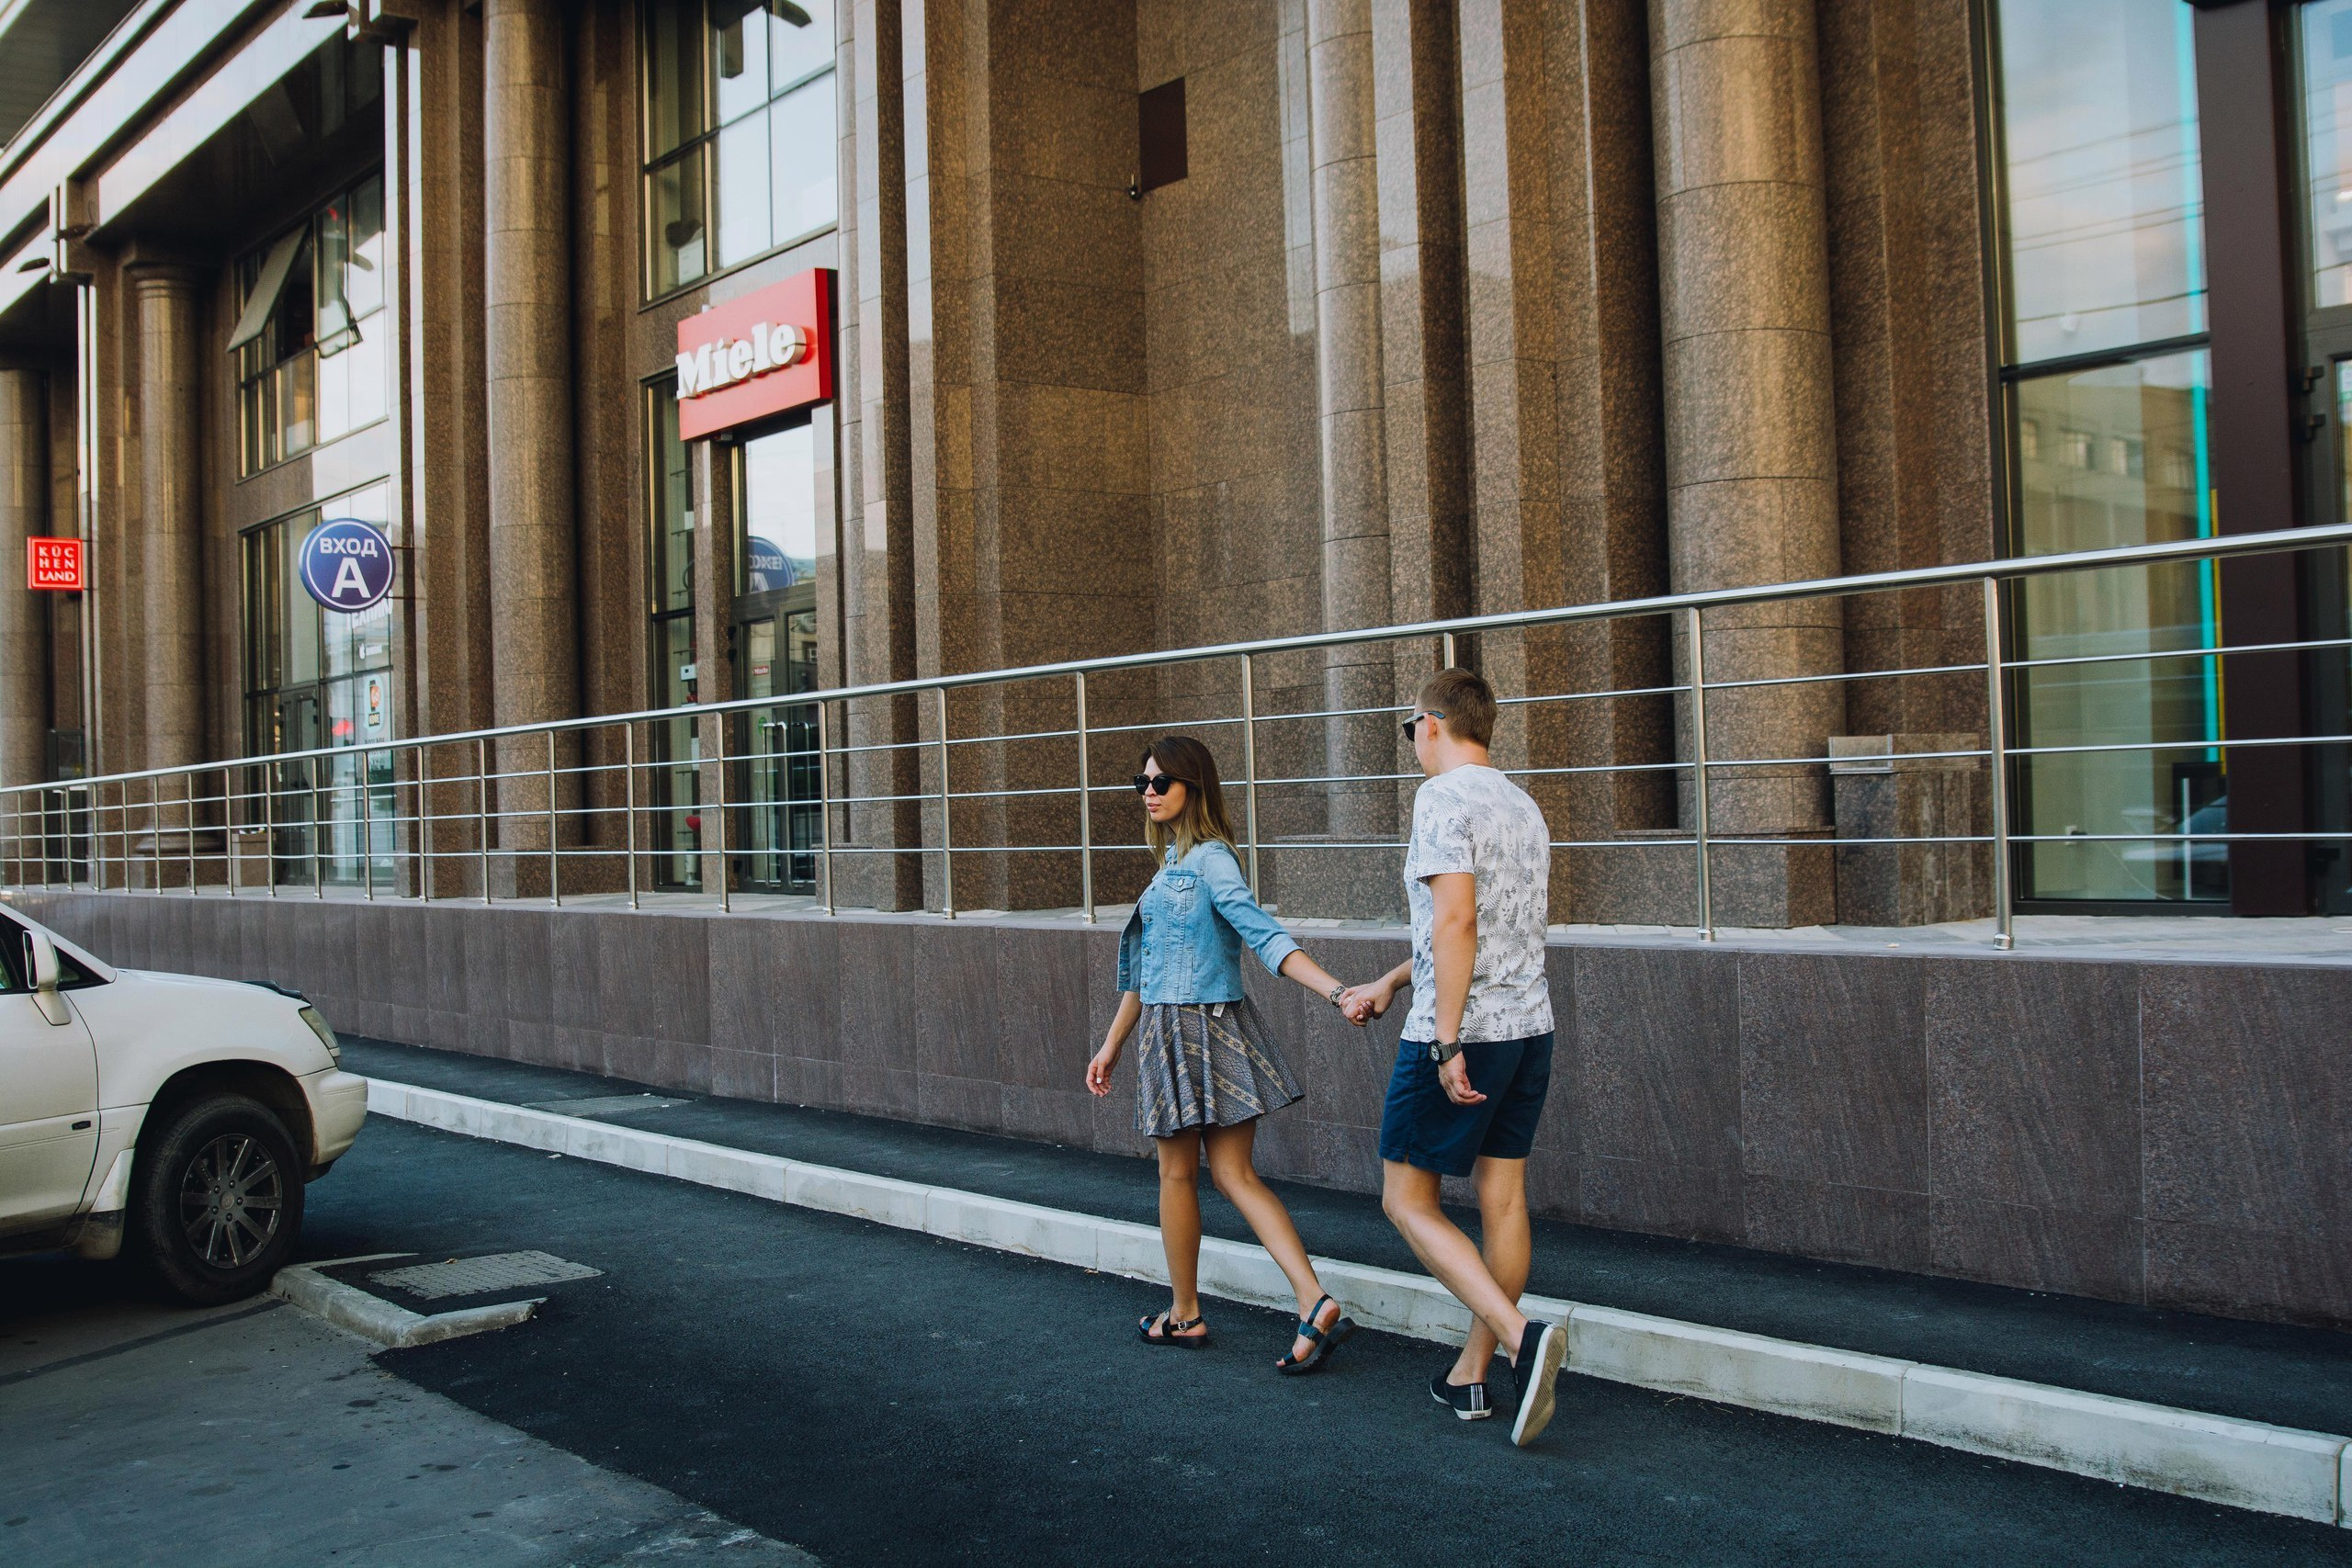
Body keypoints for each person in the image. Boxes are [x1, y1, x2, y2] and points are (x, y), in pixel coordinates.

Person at [1086, 733, 1362, 1374]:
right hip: (1180, 1026)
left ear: (1194, 787)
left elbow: (1264, 935)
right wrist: (1110, 1044)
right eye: (1142, 783)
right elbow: (1143, 976)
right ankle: (1311, 1298)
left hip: (1195, 1030)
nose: (1148, 793)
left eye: (1161, 783)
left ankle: (1186, 1312)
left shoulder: (1211, 860)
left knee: (1182, 1175)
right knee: (1233, 1175)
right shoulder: (1169, 867)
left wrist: (1336, 991)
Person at [1341, 669, 1567, 1447]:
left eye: (1410, 729)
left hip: (1464, 1030)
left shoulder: (1441, 798)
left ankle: (1520, 1337)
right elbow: (1477, 927)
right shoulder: (1521, 803)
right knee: (1502, 1200)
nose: (1412, 744)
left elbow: (1459, 919)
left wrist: (1443, 1037)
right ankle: (1472, 1370)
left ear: (1431, 723)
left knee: (1405, 1200)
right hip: (1530, 1026)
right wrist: (1394, 977)